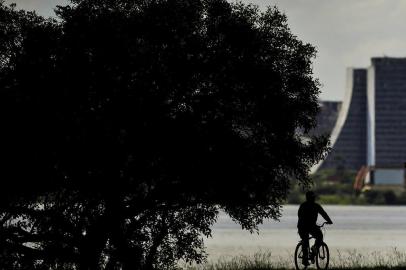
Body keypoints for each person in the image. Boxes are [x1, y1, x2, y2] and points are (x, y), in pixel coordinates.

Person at [297, 191, 333, 266]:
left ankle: (310, 255)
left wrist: (329, 220)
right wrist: (329, 221)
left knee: (311, 239)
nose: (313, 198)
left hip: (304, 226)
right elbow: (324, 214)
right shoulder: (315, 206)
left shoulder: (303, 205)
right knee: (314, 238)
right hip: (307, 226)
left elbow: (299, 215)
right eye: (313, 197)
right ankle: (308, 255)